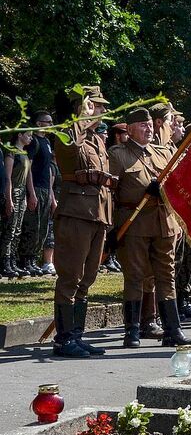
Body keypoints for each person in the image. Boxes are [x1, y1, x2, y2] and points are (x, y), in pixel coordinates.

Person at [109, 107, 191, 349]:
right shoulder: (118, 155)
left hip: (164, 224)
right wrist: (110, 227)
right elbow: (110, 194)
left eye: (150, 125)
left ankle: (173, 330)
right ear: (129, 129)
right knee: (135, 276)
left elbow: (176, 186)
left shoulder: (162, 153)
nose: (149, 129)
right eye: (142, 125)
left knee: (166, 276)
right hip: (134, 223)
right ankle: (133, 330)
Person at [51, 86, 113, 357]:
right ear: (82, 107)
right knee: (70, 278)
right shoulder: (67, 133)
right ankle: (64, 339)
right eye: (96, 106)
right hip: (75, 214)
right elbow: (67, 149)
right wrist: (80, 119)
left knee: (87, 278)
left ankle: (77, 334)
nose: (101, 111)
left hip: (96, 216)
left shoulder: (97, 140)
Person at [19, 111, 55, 276]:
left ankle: (33, 259)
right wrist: (31, 192)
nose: (50, 124)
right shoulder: (34, 142)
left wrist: (51, 194)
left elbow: (48, 169)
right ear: (39, 123)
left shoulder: (47, 141)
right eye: (48, 121)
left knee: (42, 228)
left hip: (46, 189)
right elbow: (29, 168)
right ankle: (25, 260)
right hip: (36, 188)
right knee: (32, 225)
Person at [2, 130, 33, 279]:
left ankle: (13, 262)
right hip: (13, 191)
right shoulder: (11, 151)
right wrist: (8, 199)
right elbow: (7, 178)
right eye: (28, 135)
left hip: (22, 194)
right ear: (20, 135)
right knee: (10, 229)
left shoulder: (25, 153)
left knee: (18, 230)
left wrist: (28, 196)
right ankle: (5, 262)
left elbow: (28, 177)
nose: (31, 138)